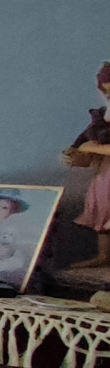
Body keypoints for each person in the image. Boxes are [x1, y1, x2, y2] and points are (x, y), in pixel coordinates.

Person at [62, 62, 110, 269]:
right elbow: (85, 154)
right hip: (104, 175)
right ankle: (103, 255)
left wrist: (94, 147)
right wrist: (76, 156)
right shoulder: (101, 122)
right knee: (102, 212)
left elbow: (93, 147)